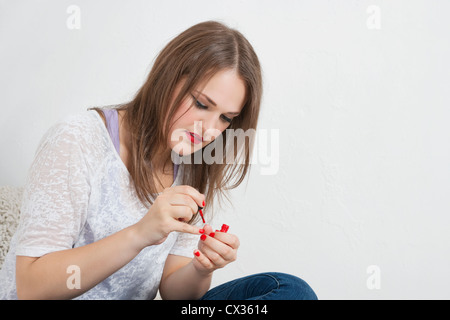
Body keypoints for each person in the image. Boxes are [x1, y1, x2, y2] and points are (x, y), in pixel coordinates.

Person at [0, 21, 317, 300]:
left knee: (293, 291)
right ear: (167, 77)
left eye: (226, 118)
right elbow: (31, 287)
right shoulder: (78, 139)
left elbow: (174, 291)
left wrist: (201, 267)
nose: (209, 130)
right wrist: (140, 234)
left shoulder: (193, 164)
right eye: (201, 103)